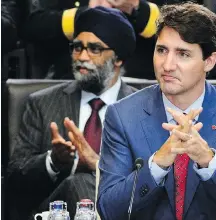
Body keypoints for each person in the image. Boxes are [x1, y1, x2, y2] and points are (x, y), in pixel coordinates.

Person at [93, 3, 216, 220]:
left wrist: (208, 161)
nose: (168, 65)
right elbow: (109, 211)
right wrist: (157, 164)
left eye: (183, 54)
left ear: (209, 61)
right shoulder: (123, 115)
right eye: (162, 50)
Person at [6, 6, 137, 220]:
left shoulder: (140, 107)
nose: (82, 56)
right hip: (53, 213)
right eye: (77, 47)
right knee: (79, 183)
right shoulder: (41, 103)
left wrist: (97, 164)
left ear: (118, 58)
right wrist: (53, 161)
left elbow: (151, 180)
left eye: (94, 49)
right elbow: (14, 179)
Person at [24, 0, 160, 79]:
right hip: (74, 79)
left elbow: (178, 23)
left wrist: (137, 8)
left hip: (140, 79)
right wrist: (86, 14)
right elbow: (32, 24)